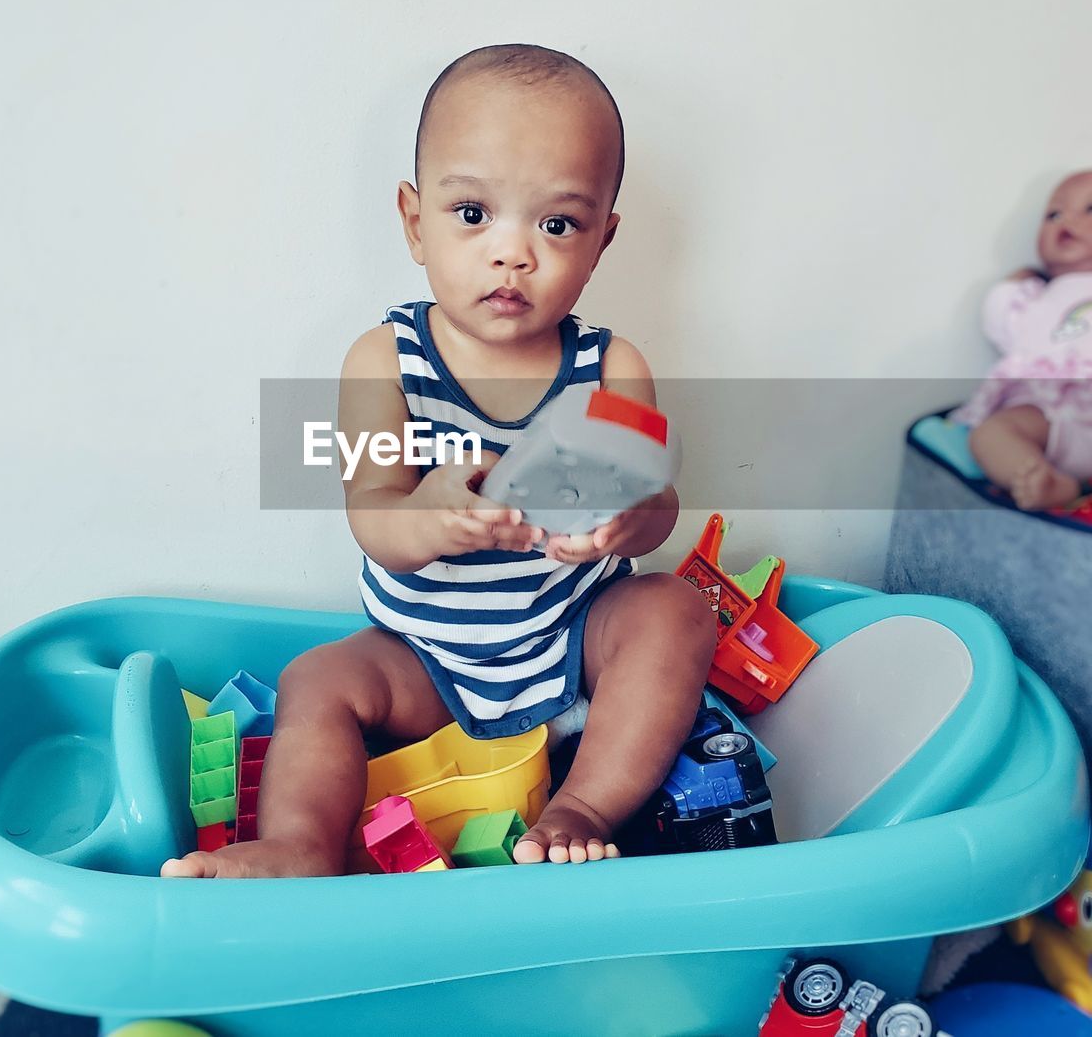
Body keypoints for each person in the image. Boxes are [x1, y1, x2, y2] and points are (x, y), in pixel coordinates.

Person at [162, 44, 714, 879]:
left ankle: (584, 804)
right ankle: (298, 843)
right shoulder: (385, 360)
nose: (513, 253)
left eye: (557, 224)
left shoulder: (614, 367)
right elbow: (374, 514)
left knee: (674, 610)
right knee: (318, 678)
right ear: (415, 222)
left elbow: (655, 506)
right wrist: (435, 512)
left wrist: (632, 518)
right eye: (472, 215)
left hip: (572, 641)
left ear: (603, 237)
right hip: (424, 656)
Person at [954, 171, 1092, 510]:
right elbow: (999, 321)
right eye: (1054, 214)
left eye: (1090, 209)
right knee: (988, 435)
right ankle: (1049, 482)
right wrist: (1014, 285)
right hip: (1045, 419)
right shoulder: (1036, 298)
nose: (1068, 221)